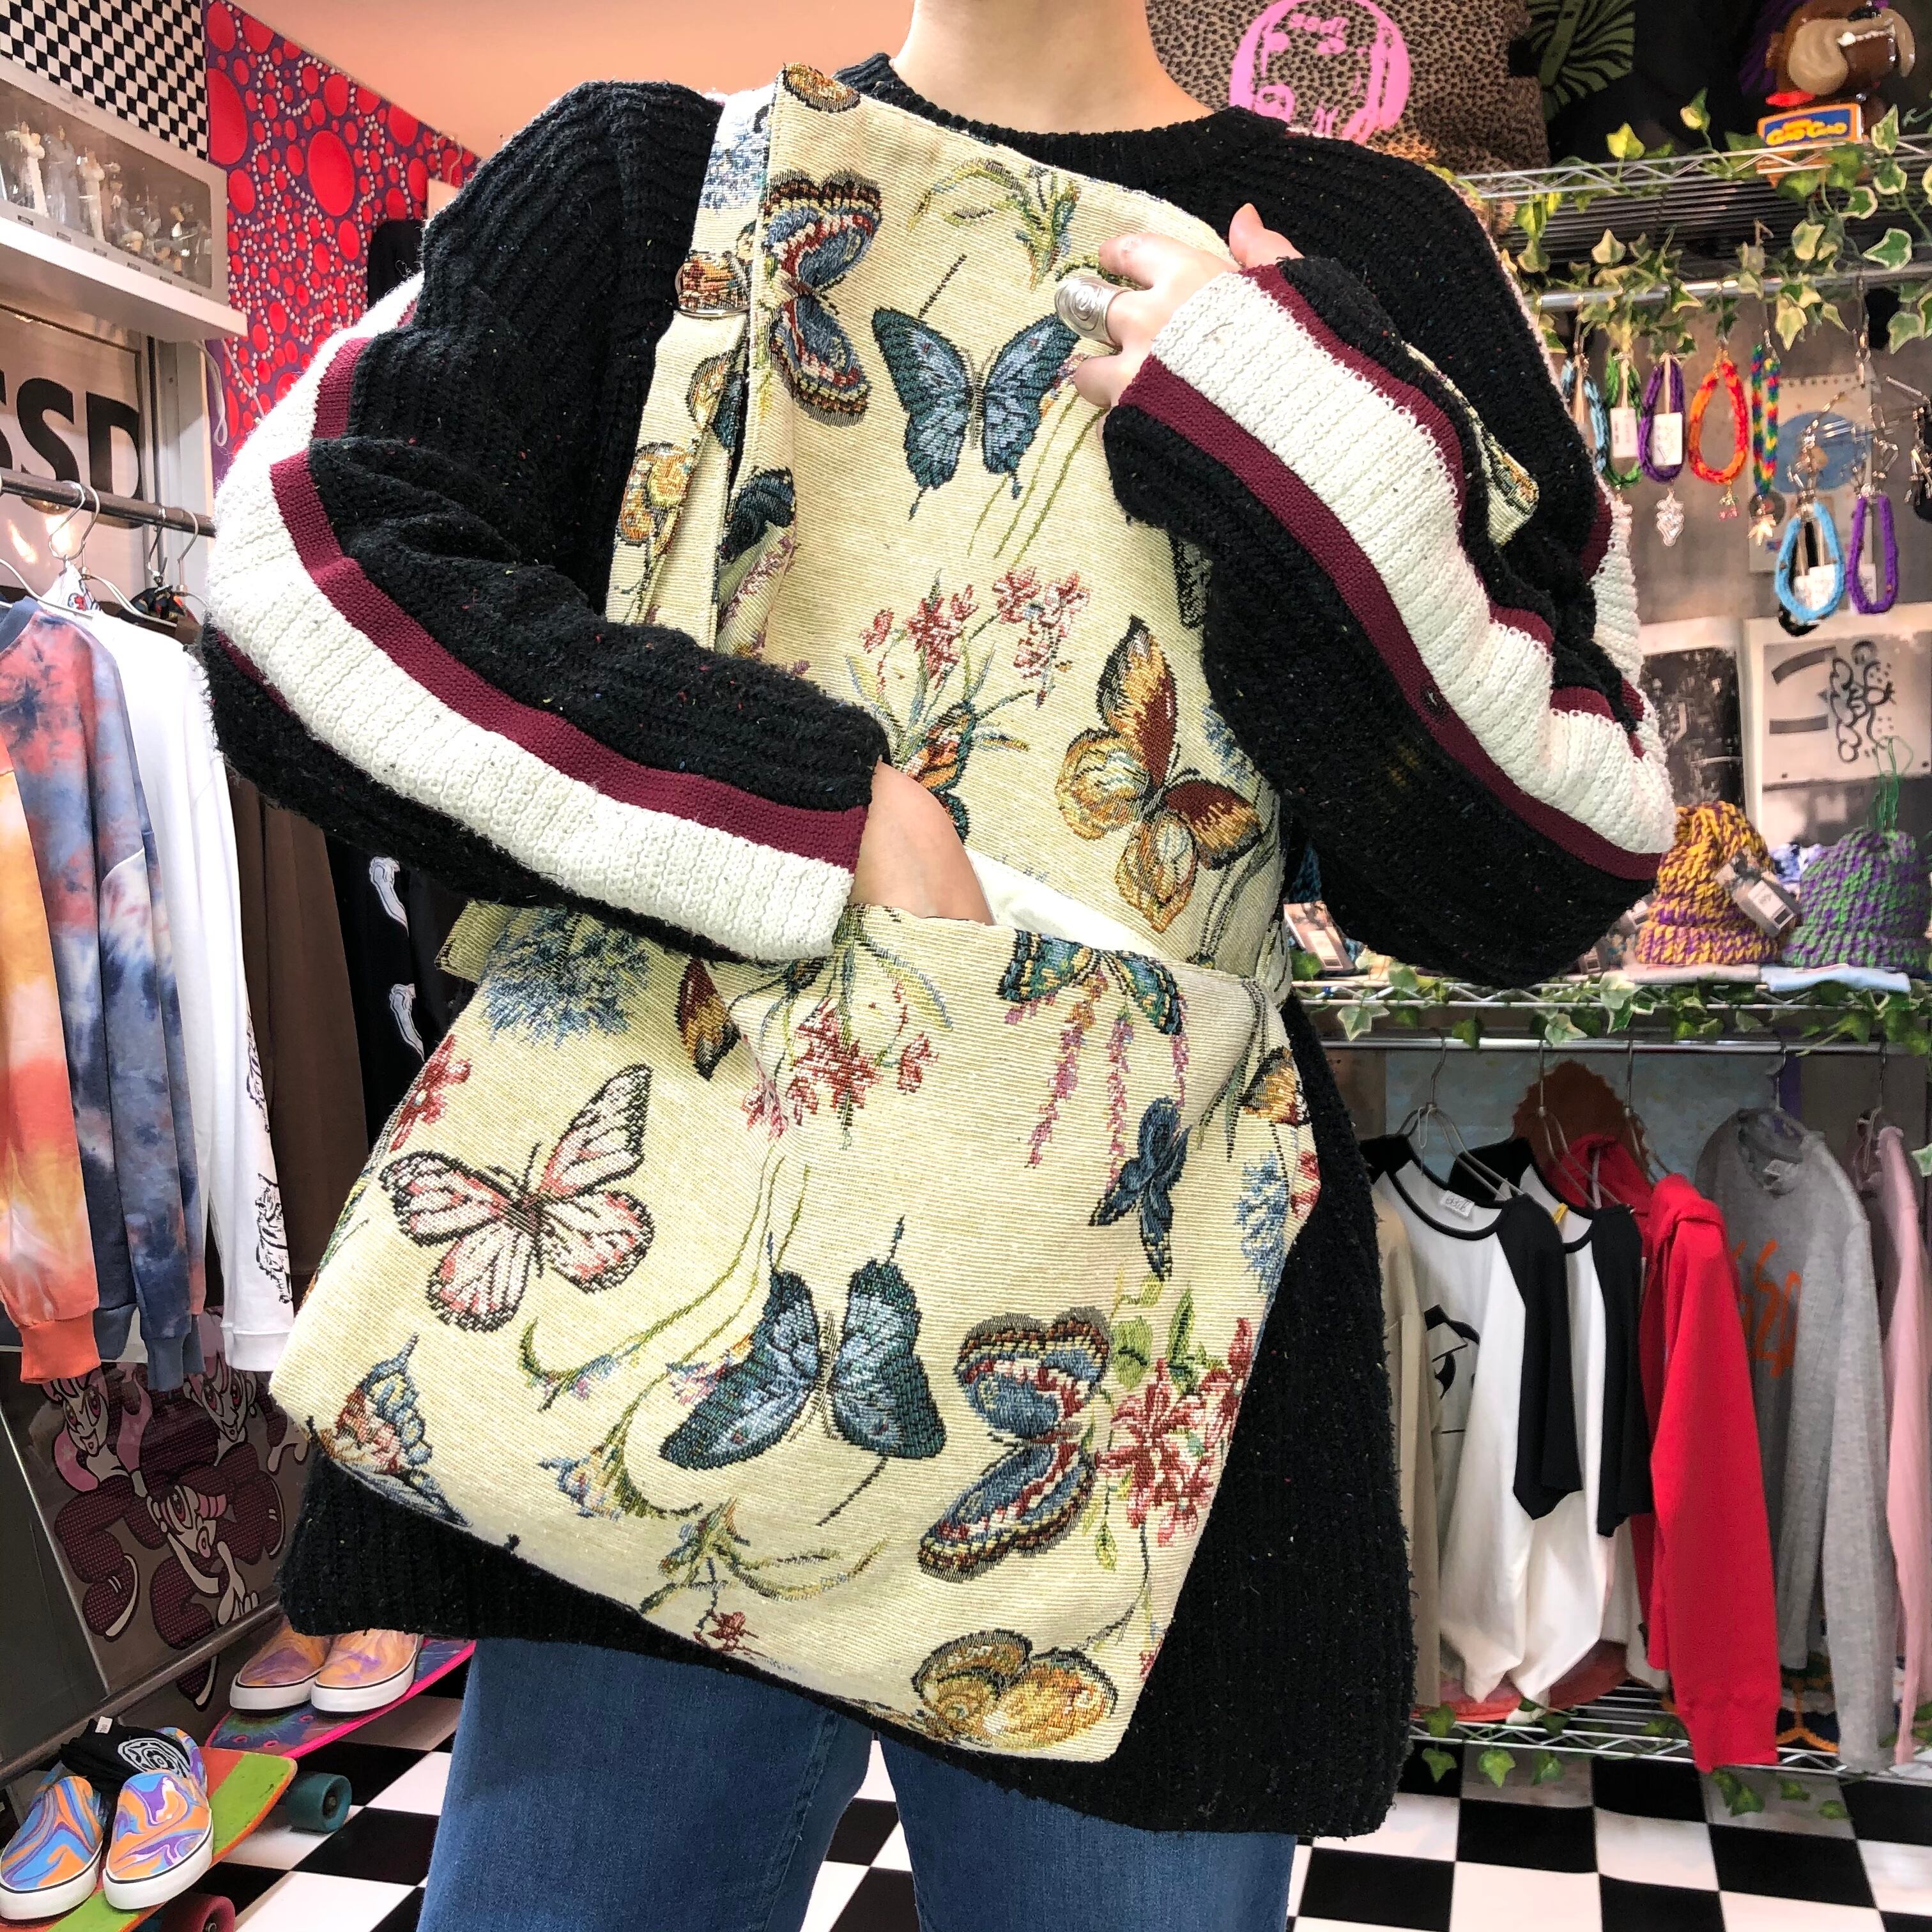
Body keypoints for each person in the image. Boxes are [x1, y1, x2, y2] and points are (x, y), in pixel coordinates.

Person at [203, 1, 1673, 1926]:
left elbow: (1572, 847)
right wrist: (810, 808)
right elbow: (301, 572)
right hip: (653, 1331)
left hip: (1149, 1393)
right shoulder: (649, 179)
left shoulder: (1380, 250)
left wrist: (1297, 432)